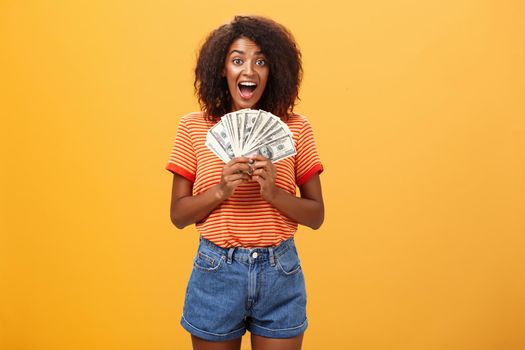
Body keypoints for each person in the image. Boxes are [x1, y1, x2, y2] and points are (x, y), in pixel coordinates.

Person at [165, 15, 324, 350]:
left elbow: (316, 216)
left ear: (273, 70)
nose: (249, 71)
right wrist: (221, 190)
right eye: (238, 60)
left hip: (279, 271)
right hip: (216, 270)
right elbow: (178, 216)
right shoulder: (193, 127)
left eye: (261, 61)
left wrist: (274, 192)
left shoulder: (297, 128)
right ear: (222, 69)